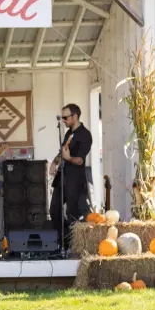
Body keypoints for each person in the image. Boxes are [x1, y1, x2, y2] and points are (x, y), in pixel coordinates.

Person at [49, 103, 93, 250]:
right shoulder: (69, 133)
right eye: (62, 117)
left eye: (66, 117)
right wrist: (54, 162)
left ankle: (74, 244)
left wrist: (68, 158)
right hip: (62, 177)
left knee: (72, 212)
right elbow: (63, 151)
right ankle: (63, 241)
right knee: (54, 209)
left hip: (75, 179)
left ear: (75, 116)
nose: (63, 120)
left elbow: (80, 160)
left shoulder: (85, 135)